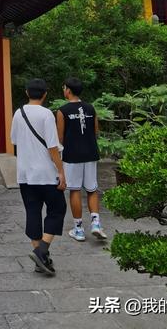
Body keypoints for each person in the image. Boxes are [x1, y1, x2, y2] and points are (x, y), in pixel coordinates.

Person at [10, 78, 66, 276]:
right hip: (46, 173)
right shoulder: (46, 115)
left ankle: (40, 257)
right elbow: (53, 146)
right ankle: (42, 251)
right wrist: (61, 171)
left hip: (25, 173)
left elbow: (14, 140)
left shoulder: (18, 113)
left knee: (33, 211)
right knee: (58, 209)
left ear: (27, 92)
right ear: (45, 94)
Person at [56, 77, 107, 241]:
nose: (64, 90)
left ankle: (78, 229)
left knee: (75, 189)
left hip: (72, 155)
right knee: (92, 189)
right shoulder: (90, 108)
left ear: (68, 90)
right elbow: (96, 131)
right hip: (90, 152)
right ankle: (96, 223)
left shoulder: (62, 111)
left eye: (64, 88)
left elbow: (60, 137)